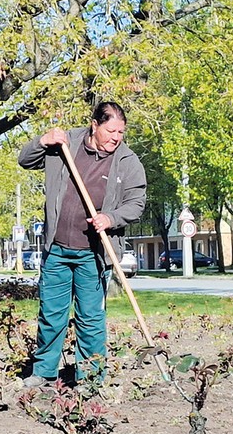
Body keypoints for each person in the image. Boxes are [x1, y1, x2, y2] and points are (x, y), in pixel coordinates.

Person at [17, 101, 147, 387]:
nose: (116, 137)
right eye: (111, 130)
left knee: (90, 319)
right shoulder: (65, 145)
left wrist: (111, 218)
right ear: (94, 125)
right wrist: (43, 140)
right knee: (51, 315)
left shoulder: (127, 162)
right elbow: (25, 160)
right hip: (57, 249)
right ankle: (44, 373)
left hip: (93, 253)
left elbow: (136, 203)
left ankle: (90, 379)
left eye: (121, 132)